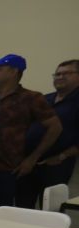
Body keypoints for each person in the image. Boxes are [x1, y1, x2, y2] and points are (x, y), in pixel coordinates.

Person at [0, 54, 61, 217]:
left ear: (14, 72)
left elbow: (55, 127)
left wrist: (33, 157)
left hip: (5, 169)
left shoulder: (30, 98)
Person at [18, 59, 79, 208]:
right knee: (23, 207)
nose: (60, 77)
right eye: (57, 74)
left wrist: (61, 156)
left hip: (56, 164)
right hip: (29, 163)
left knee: (51, 209)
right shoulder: (46, 99)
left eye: (66, 73)